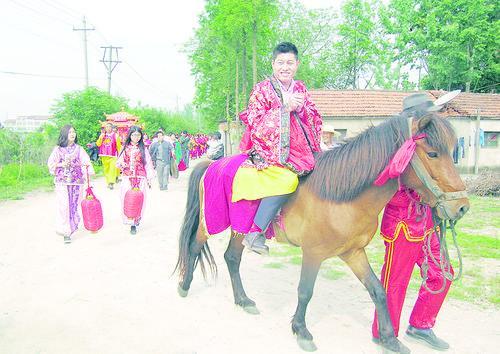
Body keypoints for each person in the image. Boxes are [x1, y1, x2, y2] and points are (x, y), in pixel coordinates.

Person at [372, 93, 453, 351]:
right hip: (402, 225)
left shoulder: (428, 144)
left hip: (427, 220)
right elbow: (388, 181)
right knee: (395, 281)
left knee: (442, 273)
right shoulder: (395, 143)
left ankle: (420, 324)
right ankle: (384, 333)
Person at [235, 42, 322, 254]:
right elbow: (255, 123)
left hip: (302, 150)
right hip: (269, 151)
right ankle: (255, 233)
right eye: (281, 62)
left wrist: (301, 109)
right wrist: (284, 108)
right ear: (273, 64)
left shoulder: (300, 89)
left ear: (297, 65)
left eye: (290, 63)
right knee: (287, 179)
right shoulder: (262, 90)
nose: (285, 67)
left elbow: (314, 119)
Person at [47, 125, 95, 243]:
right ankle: (65, 232)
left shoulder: (79, 149)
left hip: (77, 182)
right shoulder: (58, 149)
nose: (72, 134)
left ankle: (71, 227)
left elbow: (86, 161)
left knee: (73, 205)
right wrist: (60, 165)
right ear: (64, 135)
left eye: (74, 132)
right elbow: (51, 163)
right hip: (62, 182)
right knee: (64, 206)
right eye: (69, 132)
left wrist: (89, 171)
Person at [116, 126, 154, 235]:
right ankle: (129, 219)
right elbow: (118, 162)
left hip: (140, 178)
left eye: (138, 135)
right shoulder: (125, 148)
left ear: (141, 136)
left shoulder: (144, 149)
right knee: (126, 198)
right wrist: (122, 164)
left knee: (138, 200)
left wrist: (149, 178)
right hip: (127, 178)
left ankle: (135, 222)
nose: (136, 137)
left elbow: (148, 164)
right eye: (133, 135)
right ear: (130, 136)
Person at [96, 122, 121, 189]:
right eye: (106, 127)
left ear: (112, 128)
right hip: (104, 155)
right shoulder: (102, 135)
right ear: (105, 128)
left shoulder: (116, 136)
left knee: (112, 169)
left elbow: (118, 146)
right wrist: (100, 138)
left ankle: (111, 182)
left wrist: (120, 155)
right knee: (106, 169)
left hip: (113, 155)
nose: (108, 128)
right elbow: (98, 144)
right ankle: (108, 181)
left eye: (109, 127)